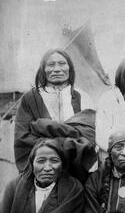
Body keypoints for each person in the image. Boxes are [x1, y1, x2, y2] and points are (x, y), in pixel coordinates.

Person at [14, 48, 97, 183]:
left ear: (69, 68)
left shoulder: (83, 96)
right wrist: (67, 140)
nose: (57, 69)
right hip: (43, 168)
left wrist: (43, 127)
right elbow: (22, 137)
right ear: (43, 69)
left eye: (62, 63)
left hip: (75, 169)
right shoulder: (30, 98)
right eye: (51, 65)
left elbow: (89, 135)